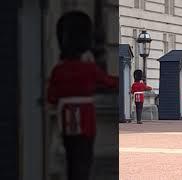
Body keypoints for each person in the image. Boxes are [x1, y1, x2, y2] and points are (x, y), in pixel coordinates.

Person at [47, 11, 118, 180]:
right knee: (84, 161)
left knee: (72, 161)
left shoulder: (58, 70)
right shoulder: (89, 69)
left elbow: (51, 97)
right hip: (86, 121)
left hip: (65, 120)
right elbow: (110, 83)